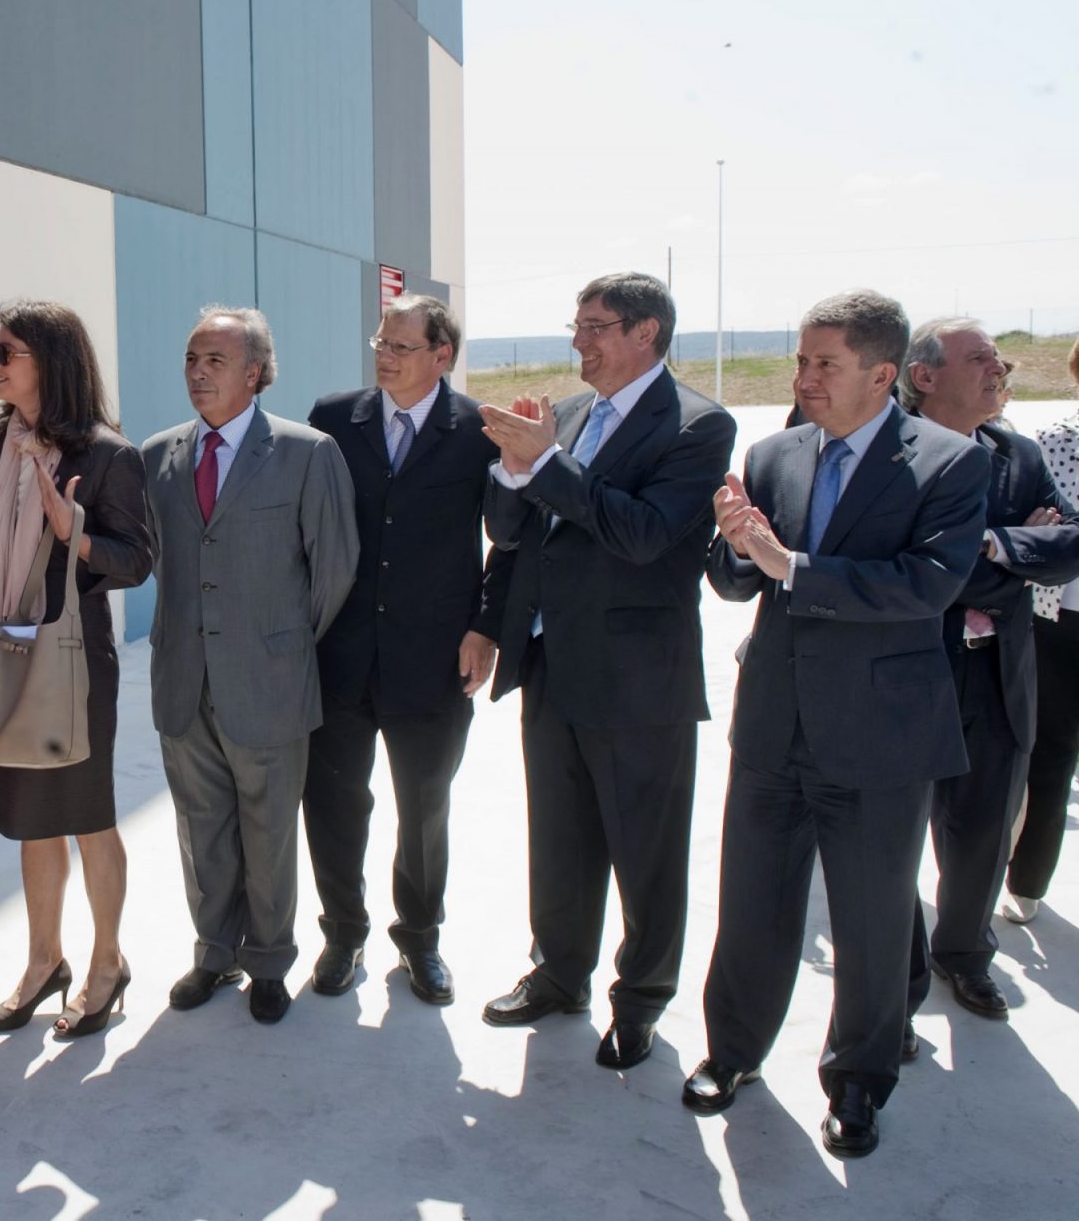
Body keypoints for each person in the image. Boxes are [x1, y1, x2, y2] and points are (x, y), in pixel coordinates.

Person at [689, 290, 988, 1158]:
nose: (804, 378)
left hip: (880, 736)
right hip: (773, 725)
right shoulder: (774, 452)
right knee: (751, 905)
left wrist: (795, 565)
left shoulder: (948, 463)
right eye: (801, 360)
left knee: (871, 922)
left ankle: (858, 1083)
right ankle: (733, 1053)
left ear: (883, 373)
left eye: (825, 363)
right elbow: (738, 581)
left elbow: (929, 585)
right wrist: (735, 545)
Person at [475, 272, 735, 1072]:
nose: (579, 341)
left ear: (646, 332)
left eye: (596, 326)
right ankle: (559, 975)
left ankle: (641, 1001)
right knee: (559, 841)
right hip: (551, 663)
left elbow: (643, 534)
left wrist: (545, 462)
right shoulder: (568, 414)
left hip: (637, 682)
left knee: (646, 855)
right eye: (577, 325)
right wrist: (513, 469)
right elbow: (510, 531)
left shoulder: (697, 424)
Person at [0, 300, 154, 1038]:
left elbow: (137, 561)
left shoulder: (108, 455)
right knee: (31, 820)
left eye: (6, 352)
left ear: (48, 362)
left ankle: (107, 964)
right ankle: (43, 962)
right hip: (8, 650)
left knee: (87, 818)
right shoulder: (2, 443)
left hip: (71, 663)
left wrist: (73, 533)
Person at [141, 306, 358, 1024]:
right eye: (191, 359)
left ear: (256, 372)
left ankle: (268, 962)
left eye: (216, 360)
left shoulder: (307, 453)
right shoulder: (157, 456)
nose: (198, 373)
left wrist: (278, 643)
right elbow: (159, 558)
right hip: (184, 679)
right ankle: (214, 953)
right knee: (201, 829)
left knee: (269, 833)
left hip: (270, 681)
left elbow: (334, 570)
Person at [301, 294, 508, 1003]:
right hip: (339, 654)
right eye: (380, 343)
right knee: (333, 803)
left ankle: (419, 938)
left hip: (435, 660)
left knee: (424, 810)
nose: (384, 357)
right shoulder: (334, 419)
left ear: (442, 356)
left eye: (401, 346)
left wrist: (487, 626)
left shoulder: (480, 431)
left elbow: (510, 540)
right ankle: (342, 934)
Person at [897, 319, 1079, 1028]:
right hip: (912, 674)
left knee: (984, 829)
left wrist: (993, 544)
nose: (998, 369)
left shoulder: (1016, 453)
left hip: (1000, 672)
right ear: (924, 376)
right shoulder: (893, 455)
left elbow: (1069, 544)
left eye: (998, 358)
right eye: (980, 359)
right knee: (892, 840)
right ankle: (897, 979)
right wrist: (1016, 553)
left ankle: (965, 954)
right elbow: (924, 575)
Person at [1006, 337, 1079, 924]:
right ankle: (1028, 880)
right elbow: (1039, 528)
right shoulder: (1054, 441)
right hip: (1060, 620)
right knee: (1051, 754)